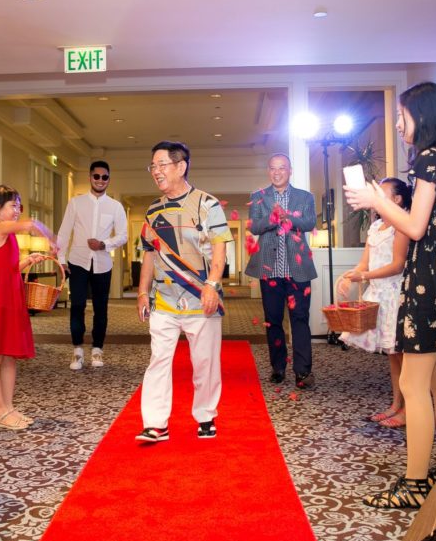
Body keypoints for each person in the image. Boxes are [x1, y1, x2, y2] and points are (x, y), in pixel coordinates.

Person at [345, 81, 436, 509]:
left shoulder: (428, 159)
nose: (398, 124)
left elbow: (415, 226)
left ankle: (416, 482)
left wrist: (376, 201)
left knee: (413, 382)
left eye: (402, 116)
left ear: (420, 115)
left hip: (428, 275)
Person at [135, 141, 230, 443]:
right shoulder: (153, 210)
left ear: (181, 166)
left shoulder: (207, 205)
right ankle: (155, 424)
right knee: (159, 360)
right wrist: (142, 292)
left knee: (204, 362)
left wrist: (212, 285)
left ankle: (205, 415)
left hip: (200, 297)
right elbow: (149, 253)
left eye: (162, 164)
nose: (156, 171)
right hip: (164, 299)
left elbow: (220, 248)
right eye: (153, 166)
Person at [0, 185, 56, 429]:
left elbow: (7, 268)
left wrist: (26, 261)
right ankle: (0, 410)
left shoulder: (7, 235)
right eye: (13, 205)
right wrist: (51, 238)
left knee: (9, 356)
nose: (18, 210)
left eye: (19, 206)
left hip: (10, 297)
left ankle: (8, 408)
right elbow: (30, 224)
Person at [338, 177, 412, 428]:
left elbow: (397, 265)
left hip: (395, 294)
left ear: (397, 199)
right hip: (378, 294)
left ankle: (409, 410)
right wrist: (349, 276)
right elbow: (364, 263)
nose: (376, 196)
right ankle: (395, 404)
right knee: (392, 355)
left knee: (403, 356)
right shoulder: (376, 227)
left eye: (382, 192)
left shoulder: (402, 225)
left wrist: (365, 276)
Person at [244, 153, 319, 387]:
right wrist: (273, 218)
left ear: (290, 171)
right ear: (269, 171)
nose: (277, 172)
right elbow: (254, 226)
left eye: (282, 168)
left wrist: (289, 219)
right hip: (270, 270)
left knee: (300, 319)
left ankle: (303, 372)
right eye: (273, 168)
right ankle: (278, 368)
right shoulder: (258, 197)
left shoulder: (305, 197)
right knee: (273, 320)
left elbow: (310, 222)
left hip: (298, 270)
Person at [55, 160, 127, 370]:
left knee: (100, 308)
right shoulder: (75, 203)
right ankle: (77, 350)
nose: (100, 180)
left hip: (103, 264)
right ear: (90, 177)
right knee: (77, 305)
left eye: (105, 177)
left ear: (109, 179)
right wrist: (61, 260)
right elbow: (64, 233)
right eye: (97, 176)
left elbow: (123, 235)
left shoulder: (115, 206)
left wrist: (104, 244)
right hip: (77, 262)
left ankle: (97, 349)